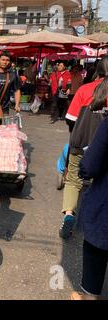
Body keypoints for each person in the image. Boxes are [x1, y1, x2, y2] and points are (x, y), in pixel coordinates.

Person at [59, 56, 108, 239]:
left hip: (81, 142)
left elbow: (70, 120)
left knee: (72, 181)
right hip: (104, 148)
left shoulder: (85, 89)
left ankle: (69, 215)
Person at [70, 81, 108, 299]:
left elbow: (90, 166)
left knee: (96, 247)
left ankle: (88, 294)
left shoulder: (87, 89)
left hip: (104, 200)